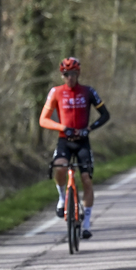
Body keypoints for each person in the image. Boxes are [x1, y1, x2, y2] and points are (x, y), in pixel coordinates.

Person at [39, 57, 110, 238]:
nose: (69, 78)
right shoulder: (56, 92)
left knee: (86, 179)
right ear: (62, 75)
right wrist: (62, 127)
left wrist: (89, 128)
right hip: (65, 140)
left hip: (82, 142)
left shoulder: (88, 91)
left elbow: (105, 115)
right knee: (60, 166)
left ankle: (86, 224)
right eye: (65, 74)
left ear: (78, 74)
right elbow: (43, 120)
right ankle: (62, 199)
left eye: (72, 74)